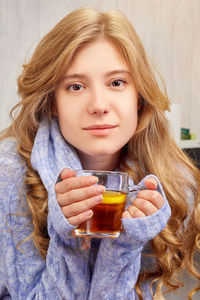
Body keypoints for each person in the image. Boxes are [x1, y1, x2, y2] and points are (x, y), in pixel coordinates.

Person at [0, 7, 199, 300]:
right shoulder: (8, 176)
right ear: (53, 101)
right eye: (76, 86)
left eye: (116, 82)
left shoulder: (172, 183)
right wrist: (65, 238)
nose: (99, 105)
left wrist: (125, 245)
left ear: (139, 95)